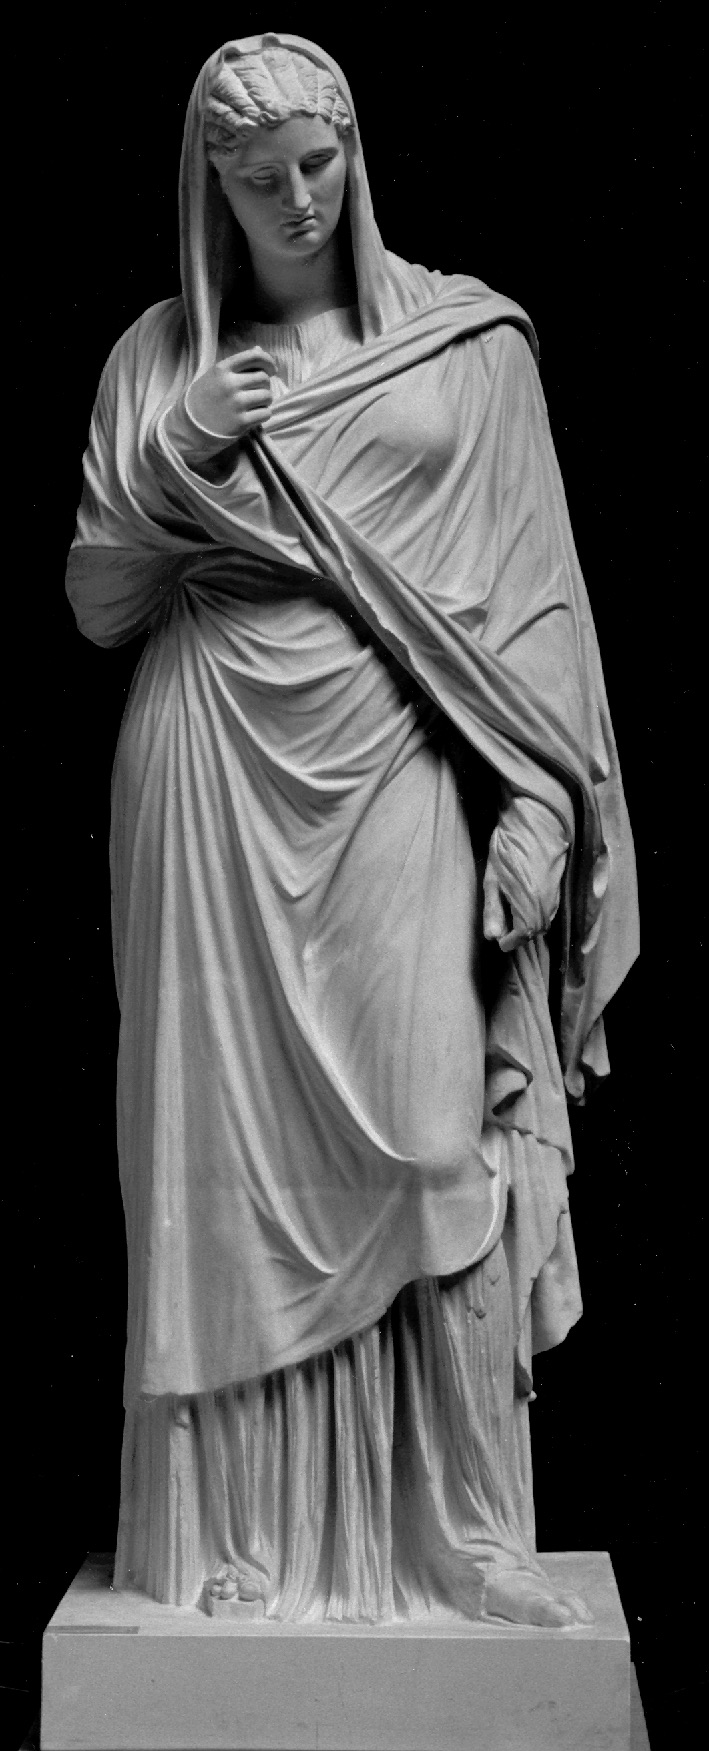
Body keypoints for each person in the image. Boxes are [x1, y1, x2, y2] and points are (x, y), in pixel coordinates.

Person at [66, 31, 638, 1627]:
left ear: (356, 153)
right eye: (259, 180)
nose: (298, 200)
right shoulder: (157, 360)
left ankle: (463, 1534)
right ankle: (236, 1542)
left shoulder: (464, 345)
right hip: (210, 766)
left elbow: (535, 597)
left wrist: (537, 800)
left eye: (319, 164)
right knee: (219, 1173)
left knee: (436, 1130)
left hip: (397, 760)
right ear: (210, 190)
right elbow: (98, 597)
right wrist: (179, 448)